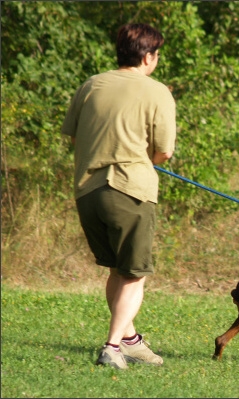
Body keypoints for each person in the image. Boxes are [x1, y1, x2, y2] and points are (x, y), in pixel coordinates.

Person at [61, 23, 177, 370]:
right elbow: (164, 153)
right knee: (134, 274)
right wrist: (142, 159)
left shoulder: (90, 86)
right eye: (156, 55)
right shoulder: (157, 92)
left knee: (117, 269)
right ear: (147, 56)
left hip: (88, 192)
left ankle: (130, 339)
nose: (156, 61)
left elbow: (74, 140)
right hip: (130, 189)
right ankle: (113, 347)